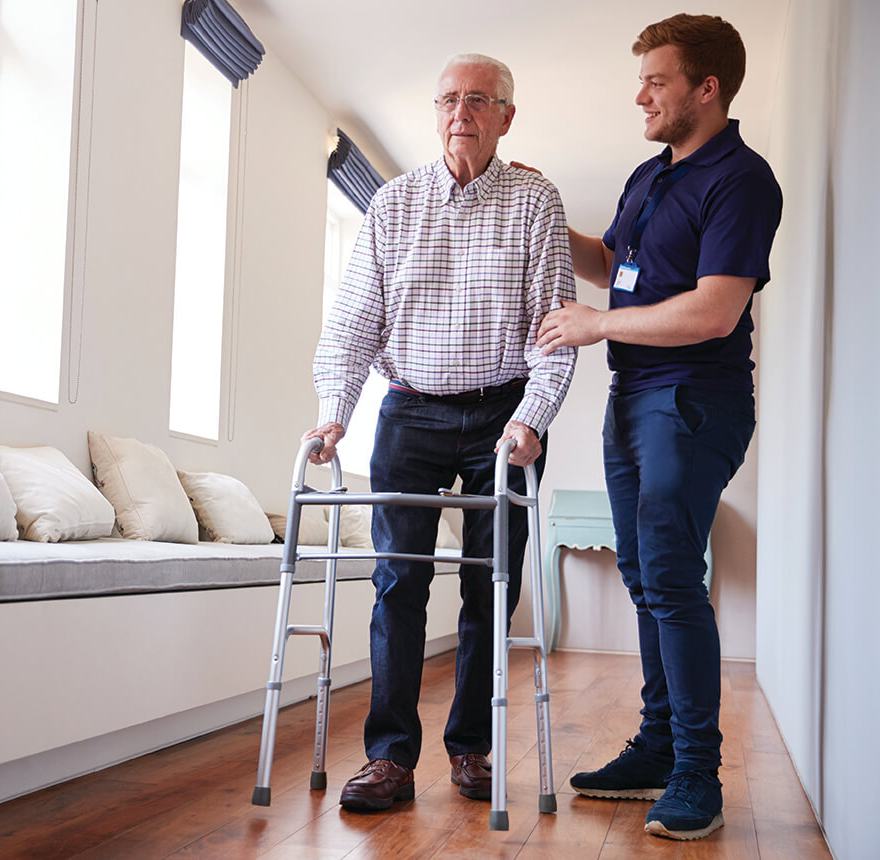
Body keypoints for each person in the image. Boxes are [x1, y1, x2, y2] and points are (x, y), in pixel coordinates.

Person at [307, 53, 576, 812]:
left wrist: (531, 419)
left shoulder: (534, 200)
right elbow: (355, 320)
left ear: (505, 117)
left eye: (479, 100)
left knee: (489, 586)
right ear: (436, 113)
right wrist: (334, 411)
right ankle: (390, 760)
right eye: (449, 100)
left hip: (503, 414)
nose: (461, 112)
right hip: (410, 409)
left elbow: (553, 330)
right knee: (398, 582)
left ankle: (473, 750)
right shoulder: (392, 203)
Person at [535, 14, 783, 841]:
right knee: (645, 577)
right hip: (632, 398)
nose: (639, 94)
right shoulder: (650, 175)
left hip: (692, 401)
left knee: (670, 577)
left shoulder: (740, 180)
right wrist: (544, 214)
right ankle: (654, 748)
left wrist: (596, 326)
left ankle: (695, 776)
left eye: (656, 81)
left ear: (705, 89)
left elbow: (715, 310)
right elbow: (614, 264)